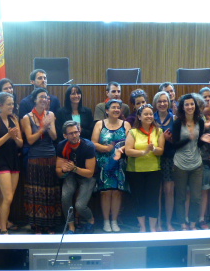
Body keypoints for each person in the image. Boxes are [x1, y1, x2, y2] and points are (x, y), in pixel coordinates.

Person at [21, 87, 62, 233]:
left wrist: (49, 126)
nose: (44, 99)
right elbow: (30, 140)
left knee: (50, 191)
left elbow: (55, 136)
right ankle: (37, 225)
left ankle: (50, 224)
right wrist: (42, 128)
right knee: (36, 192)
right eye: (41, 97)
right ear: (34, 100)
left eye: (46, 97)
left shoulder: (51, 114)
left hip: (50, 156)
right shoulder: (27, 117)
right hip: (35, 157)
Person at [171, 94, 210, 230]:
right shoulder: (178, 123)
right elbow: (175, 145)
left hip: (196, 163)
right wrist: (188, 138)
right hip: (180, 164)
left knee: (196, 197)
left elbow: (198, 144)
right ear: (182, 107)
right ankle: (182, 224)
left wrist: (203, 140)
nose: (190, 107)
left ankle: (193, 223)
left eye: (192, 104)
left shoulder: (200, 122)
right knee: (181, 197)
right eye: (187, 104)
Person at [92, 99, 131, 233]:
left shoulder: (126, 124)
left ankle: (114, 220)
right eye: (113, 107)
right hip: (104, 163)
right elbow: (93, 143)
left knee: (117, 192)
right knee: (105, 192)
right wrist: (105, 148)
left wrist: (120, 149)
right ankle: (106, 221)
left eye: (118, 107)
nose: (116, 110)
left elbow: (130, 142)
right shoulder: (100, 124)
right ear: (107, 110)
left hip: (120, 163)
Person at [0, 92, 24, 234]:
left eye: (13, 104)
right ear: (0, 105)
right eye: (9, 104)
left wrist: (15, 138)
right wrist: (8, 135)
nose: (12, 106)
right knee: (8, 197)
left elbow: (20, 143)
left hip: (13, 159)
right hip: (0, 160)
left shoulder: (14, 119)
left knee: (7, 197)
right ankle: (3, 229)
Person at [124, 104, 165, 232]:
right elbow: (128, 151)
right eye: (146, 114)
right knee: (139, 199)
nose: (149, 116)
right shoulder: (133, 132)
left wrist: (153, 149)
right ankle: (142, 227)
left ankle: (152, 228)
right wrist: (144, 152)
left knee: (153, 199)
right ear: (139, 117)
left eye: (151, 114)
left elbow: (161, 151)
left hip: (154, 170)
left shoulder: (158, 131)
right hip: (135, 171)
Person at [56, 121, 97, 234]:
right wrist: (63, 170)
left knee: (80, 206)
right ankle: (71, 226)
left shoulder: (88, 146)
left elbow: (90, 173)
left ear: (80, 132)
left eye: (76, 132)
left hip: (86, 176)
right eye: (71, 133)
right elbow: (58, 172)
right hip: (71, 174)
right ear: (65, 135)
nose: (74, 135)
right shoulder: (61, 145)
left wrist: (74, 168)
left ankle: (90, 220)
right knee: (65, 196)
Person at [153, 91, 176, 231]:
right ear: (155, 103)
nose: (162, 104)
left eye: (165, 101)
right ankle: (157, 224)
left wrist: (170, 140)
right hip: (154, 158)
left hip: (170, 158)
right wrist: (162, 139)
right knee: (157, 192)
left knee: (169, 191)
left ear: (169, 102)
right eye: (159, 101)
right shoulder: (151, 118)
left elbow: (180, 140)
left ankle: (168, 223)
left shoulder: (174, 118)